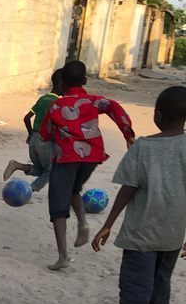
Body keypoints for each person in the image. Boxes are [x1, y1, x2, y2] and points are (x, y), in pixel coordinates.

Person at [91, 85, 186, 304]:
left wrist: (108, 224)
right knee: (161, 282)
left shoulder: (143, 147)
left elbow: (128, 188)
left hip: (140, 235)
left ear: (158, 115)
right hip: (172, 234)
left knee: (135, 288)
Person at [40, 59, 134, 271]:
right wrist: (128, 134)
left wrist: (52, 132)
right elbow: (115, 107)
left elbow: (45, 133)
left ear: (61, 83)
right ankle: (82, 222)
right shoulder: (93, 101)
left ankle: (63, 256)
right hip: (92, 157)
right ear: (84, 80)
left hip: (66, 158)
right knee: (74, 189)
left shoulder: (56, 106)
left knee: (58, 205)